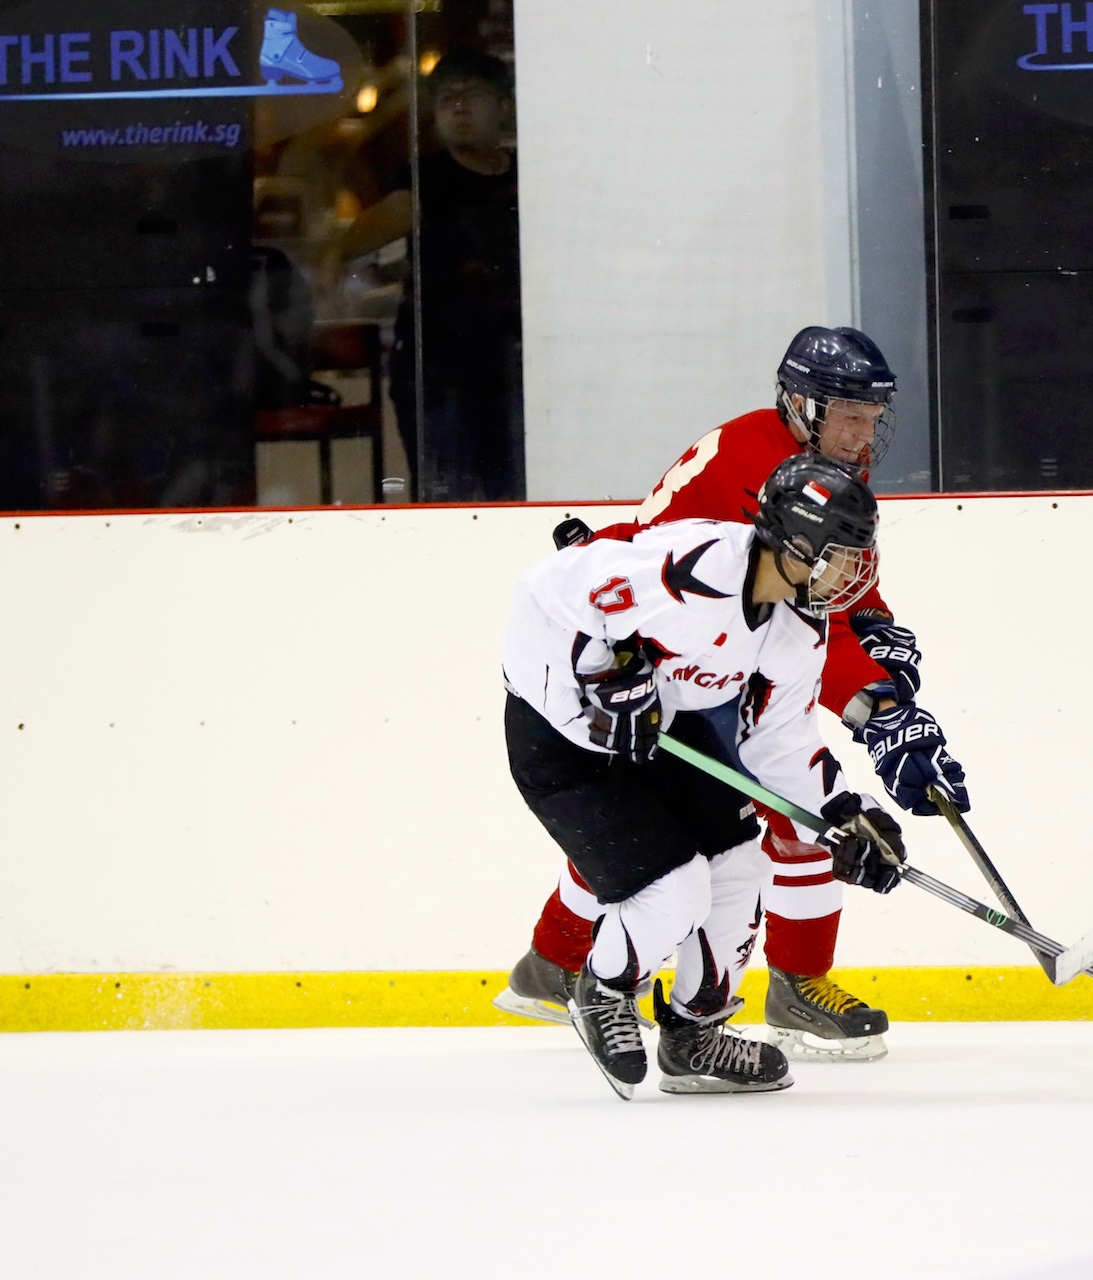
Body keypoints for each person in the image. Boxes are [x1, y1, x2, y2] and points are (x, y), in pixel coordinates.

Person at [493, 327, 968, 1062]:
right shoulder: (752, 474)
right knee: (678, 841)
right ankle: (599, 969)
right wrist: (870, 702)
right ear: (802, 404)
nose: (863, 433)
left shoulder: (825, 468)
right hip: (660, 652)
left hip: (711, 650)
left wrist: (872, 641)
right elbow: (746, 592)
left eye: (872, 417)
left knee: (754, 829)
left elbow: (824, 587)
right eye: (850, 415)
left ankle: (617, 987)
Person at [501, 455, 909, 1098]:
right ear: (795, 544)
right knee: (677, 888)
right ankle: (603, 988)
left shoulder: (799, 625)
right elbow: (545, 592)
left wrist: (840, 815)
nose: (849, 574)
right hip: (561, 739)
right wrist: (596, 686)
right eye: (838, 556)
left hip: (664, 731)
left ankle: (695, 1037)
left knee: (739, 868)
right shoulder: (693, 567)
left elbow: (780, 741)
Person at [330, 47, 524, 500]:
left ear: (504, 107)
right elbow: (369, 232)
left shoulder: (527, 179)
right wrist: (334, 260)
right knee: (449, 495)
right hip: (438, 370)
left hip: (510, 365)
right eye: (446, 99)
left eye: (472, 96)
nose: (459, 109)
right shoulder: (425, 180)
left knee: (516, 493)